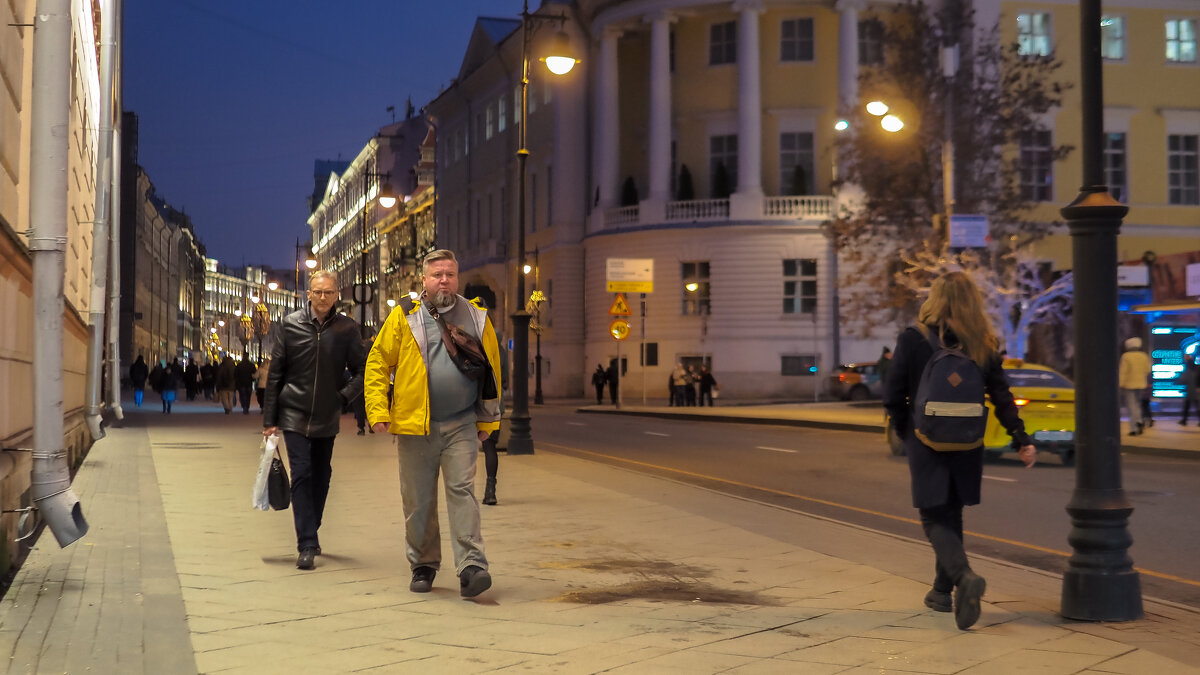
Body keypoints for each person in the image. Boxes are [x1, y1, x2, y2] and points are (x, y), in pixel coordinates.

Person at [883, 271, 1036, 631]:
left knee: (933, 515)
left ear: (935, 298)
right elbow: (1001, 394)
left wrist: (910, 434)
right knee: (952, 512)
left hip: (927, 437)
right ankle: (940, 592)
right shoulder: (982, 341)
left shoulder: (914, 338)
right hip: (968, 439)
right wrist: (1021, 438)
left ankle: (964, 577)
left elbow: (892, 395)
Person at [365, 250, 501, 598]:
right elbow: (378, 361)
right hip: (415, 426)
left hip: (461, 424)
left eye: (450, 275)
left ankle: (472, 567)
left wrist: (490, 419)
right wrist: (378, 410)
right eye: (437, 274)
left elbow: (492, 370)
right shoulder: (405, 316)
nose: (444, 280)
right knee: (418, 500)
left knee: (463, 493)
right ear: (423, 280)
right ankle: (423, 565)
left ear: (458, 278)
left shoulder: (476, 315)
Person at [263, 270, 365, 570]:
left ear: (337, 295)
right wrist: (270, 420)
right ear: (308, 293)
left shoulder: (347, 329)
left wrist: (342, 397)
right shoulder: (290, 324)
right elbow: (277, 373)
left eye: (329, 292)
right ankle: (306, 542)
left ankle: (312, 526)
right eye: (318, 292)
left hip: (327, 413)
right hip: (293, 411)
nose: (323, 297)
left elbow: (362, 370)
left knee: (322, 475)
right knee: (303, 473)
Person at [1119, 337, 1151, 436]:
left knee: (1131, 405)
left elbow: (1123, 372)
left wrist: (1120, 384)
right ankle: (1139, 421)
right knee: (1138, 404)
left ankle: (1133, 428)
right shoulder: (1143, 356)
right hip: (1141, 384)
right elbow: (1148, 369)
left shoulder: (1126, 356)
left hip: (1129, 384)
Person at [1180, 353, 1200, 426]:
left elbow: (1186, 376)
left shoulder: (1189, 365)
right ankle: (1184, 420)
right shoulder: (1195, 365)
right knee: (1195, 405)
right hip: (1194, 388)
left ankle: (1184, 420)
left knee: (1190, 405)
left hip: (1192, 389)